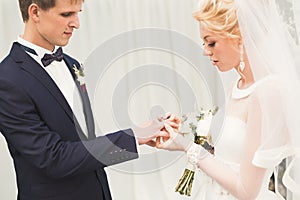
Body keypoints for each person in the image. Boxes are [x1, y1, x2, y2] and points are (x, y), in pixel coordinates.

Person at [0, 0, 173, 199]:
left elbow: (83, 142)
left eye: (78, 13)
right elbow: (53, 159)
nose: (76, 23)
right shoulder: (6, 80)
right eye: (66, 14)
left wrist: (144, 134)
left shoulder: (73, 65)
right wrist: (132, 137)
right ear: (35, 12)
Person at [157, 0, 300, 199]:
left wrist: (188, 148)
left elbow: (247, 191)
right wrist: (178, 139)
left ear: (239, 38)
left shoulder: (267, 92)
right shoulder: (237, 86)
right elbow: (228, 160)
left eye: (212, 42)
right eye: (204, 43)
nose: (205, 51)